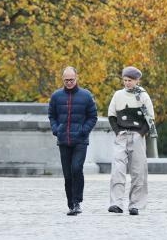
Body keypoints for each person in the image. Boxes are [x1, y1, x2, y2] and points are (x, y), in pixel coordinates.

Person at [48, 66, 99, 216]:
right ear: (62, 80)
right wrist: (56, 130)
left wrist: (84, 131)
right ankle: (71, 204)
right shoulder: (56, 96)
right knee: (67, 174)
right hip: (63, 139)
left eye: (71, 80)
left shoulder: (86, 96)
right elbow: (52, 115)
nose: (69, 82)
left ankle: (77, 202)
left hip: (80, 140)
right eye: (66, 80)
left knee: (76, 169)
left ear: (76, 78)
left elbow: (93, 116)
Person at [107, 66, 155, 215]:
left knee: (138, 171)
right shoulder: (118, 95)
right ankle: (116, 203)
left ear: (137, 80)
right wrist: (117, 131)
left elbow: (150, 118)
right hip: (122, 134)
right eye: (125, 80)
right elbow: (112, 115)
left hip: (137, 136)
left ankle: (136, 205)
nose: (127, 83)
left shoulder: (143, 96)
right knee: (117, 169)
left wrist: (141, 133)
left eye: (130, 80)